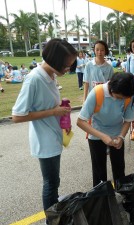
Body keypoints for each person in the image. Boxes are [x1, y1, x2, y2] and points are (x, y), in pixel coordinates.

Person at [11, 38, 77, 222]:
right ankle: (52, 220)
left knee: (54, 181)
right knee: (51, 183)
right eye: (65, 65)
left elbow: (45, 104)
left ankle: (56, 213)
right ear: (54, 60)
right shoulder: (34, 79)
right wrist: (54, 111)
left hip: (54, 135)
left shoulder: (51, 75)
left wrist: (60, 109)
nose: (68, 69)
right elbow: (17, 116)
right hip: (44, 140)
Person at [77, 72, 134, 186]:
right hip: (96, 135)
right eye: (119, 97)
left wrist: (121, 137)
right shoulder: (97, 92)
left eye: (124, 98)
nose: (122, 99)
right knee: (99, 173)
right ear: (111, 88)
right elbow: (80, 121)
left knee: (119, 170)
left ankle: (123, 195)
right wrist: (103, 136)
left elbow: (128, 120)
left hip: (117, 134)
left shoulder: (128, 94)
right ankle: (101, 199)